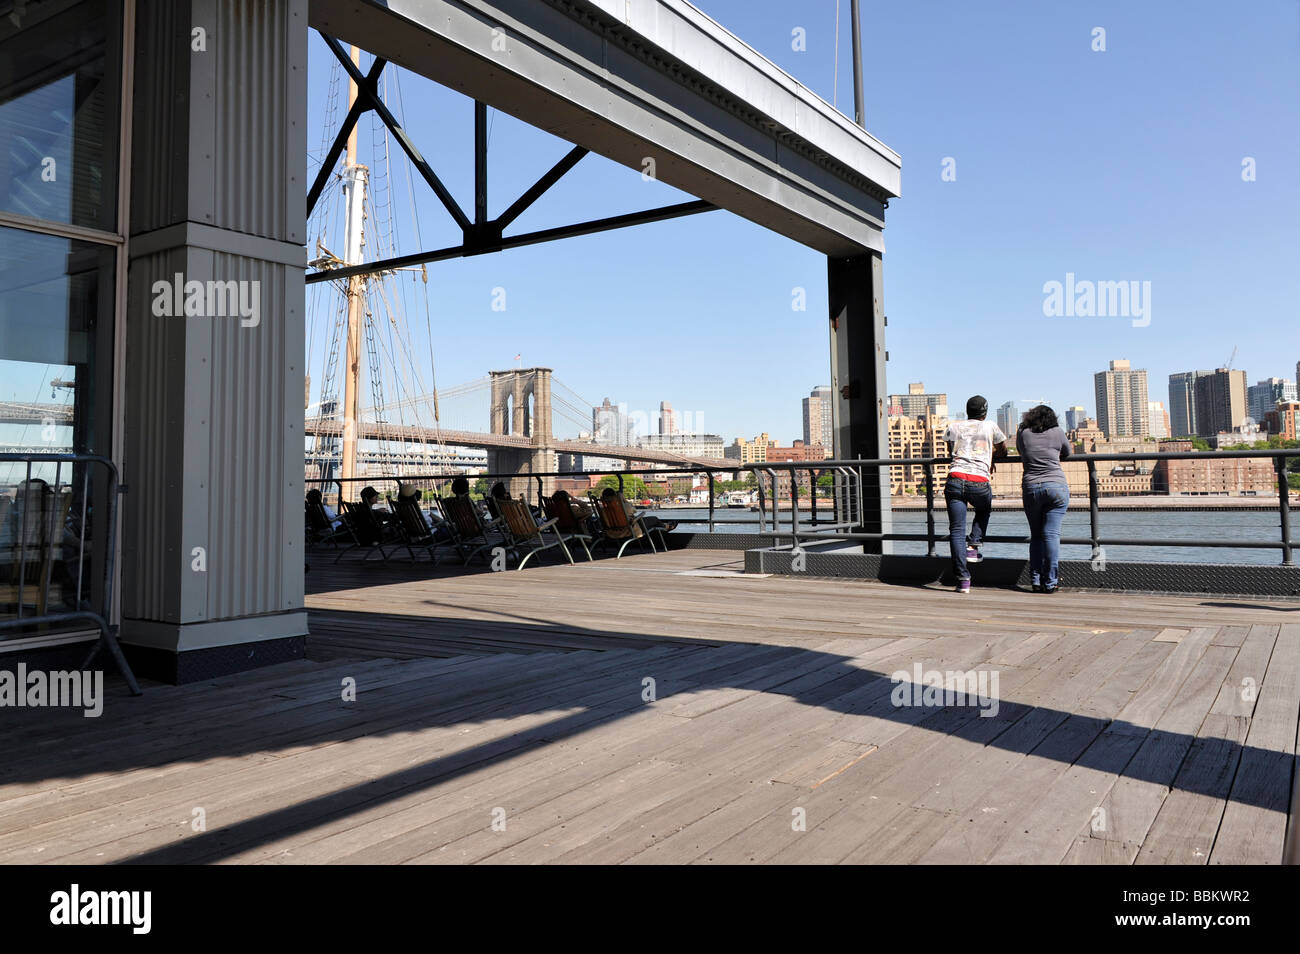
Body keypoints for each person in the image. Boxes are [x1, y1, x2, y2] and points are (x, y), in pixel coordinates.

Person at [943, 395, 1007, 593]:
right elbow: (1002, 449)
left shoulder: (954, 427)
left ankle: (963, 580)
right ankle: (975, 543)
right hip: (979, 480)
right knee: (984, 509)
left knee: (956, 529)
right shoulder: (990, 426)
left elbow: (950, 451)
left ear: (967, 411)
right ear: (985, 412)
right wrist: (991, 458)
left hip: (955, 478)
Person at [1017, 404, 1072, 593]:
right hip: (1056, 487)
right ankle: (1050, 583)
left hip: (1031, 487)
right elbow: (1068, 452)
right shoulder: (1058, 432)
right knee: (1051, 535)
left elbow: (1021, 451)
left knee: (1037, 536)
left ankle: (1035, 580)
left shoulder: (1023, 432)